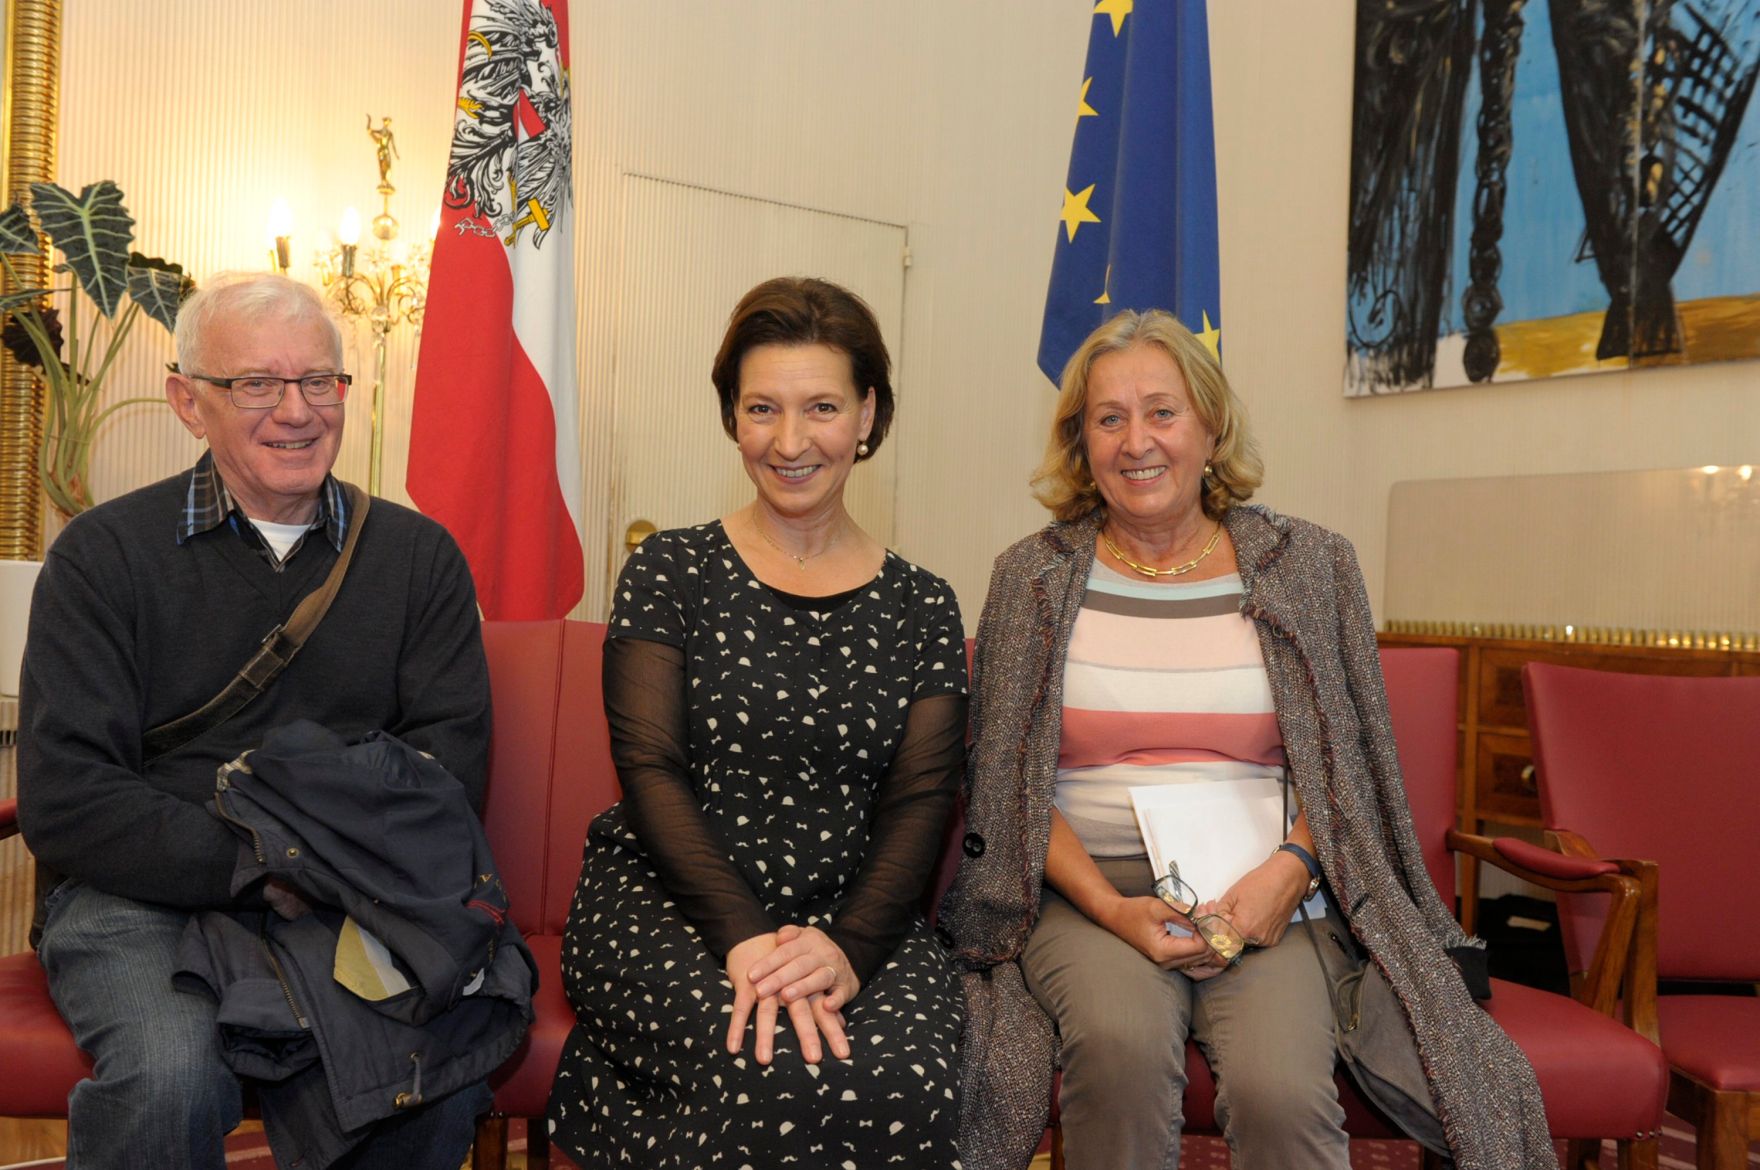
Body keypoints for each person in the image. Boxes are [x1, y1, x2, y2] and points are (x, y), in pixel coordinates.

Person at [937, 310, 1553, 1170]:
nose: (1136, 441)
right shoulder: (1029, 577)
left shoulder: (1310, 566)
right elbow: (1006, 789)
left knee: (1281, 1089)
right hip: (1088, 895)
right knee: (1120, 1048)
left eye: (1162, 411)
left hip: (1270, 891)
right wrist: (1115, 909)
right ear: (1080, 441)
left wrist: (1288, 873)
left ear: (1211, 424)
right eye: (1108, 419)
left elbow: (1352, 770)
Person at [17, 272, 495, 1169]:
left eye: (320, 381)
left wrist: (317, 876)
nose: (297, 411)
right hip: (140, 900)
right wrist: (265, 864)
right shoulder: (102, 557)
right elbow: (71, 798)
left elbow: (446, 772)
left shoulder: (418, 558)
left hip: (352, 907)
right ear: (188, 402)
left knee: (431, 1074)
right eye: (256, 385)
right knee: (171, 1077)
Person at [549, 276, 966, 1168]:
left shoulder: (924, 604)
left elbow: (922, 800)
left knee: (900, 1083)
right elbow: (650, 768)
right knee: (769, 1066)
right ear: (732, 418)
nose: (789, 441)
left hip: (859, 914)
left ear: (867, 415)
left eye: (820, 406)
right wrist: (741, 938)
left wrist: (847, 950)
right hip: (673, 901)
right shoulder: (670, 570)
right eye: (761, 408)